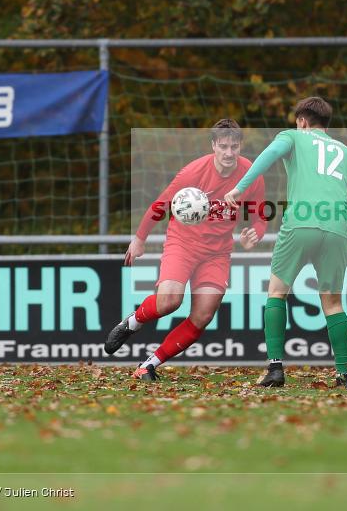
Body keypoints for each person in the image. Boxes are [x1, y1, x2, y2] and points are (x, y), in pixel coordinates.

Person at [224, 96, 347, 390]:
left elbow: (268, 155)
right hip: (338, 227)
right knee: (334, 302)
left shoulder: (293, 136)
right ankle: (343, 375)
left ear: (302, 121)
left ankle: (275, 368)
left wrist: (239, 188)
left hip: (301, 222)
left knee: (277, 292)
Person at [104, 119, 267, 381]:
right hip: (183, 243)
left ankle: (149, 365)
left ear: (240, 146)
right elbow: (161, 204)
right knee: (170, 300)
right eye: (223, 146)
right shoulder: (192, 173)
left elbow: (261, 217)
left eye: (233, 147)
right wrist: (139, 238)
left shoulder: (251, 175)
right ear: (213, 145)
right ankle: (132, 323)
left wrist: (255, 235)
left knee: (202, 316)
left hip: (217, 253)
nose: (228, 153)